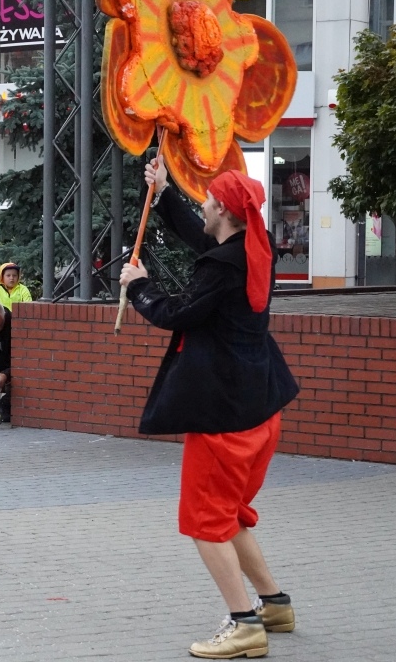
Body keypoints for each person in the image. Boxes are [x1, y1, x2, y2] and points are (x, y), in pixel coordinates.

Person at [119, 161, 299, 660]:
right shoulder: (253, 249)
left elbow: (177, 314)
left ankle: (244, 626)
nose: (203, 203)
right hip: (260, 408)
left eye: (206, 199)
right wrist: (162, 192)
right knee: (229, 515)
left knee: (204, 521)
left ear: (222, 208)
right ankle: (273, 604)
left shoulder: (225, 265)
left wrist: (138, 285)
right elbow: (206, 245)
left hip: (227, 416)